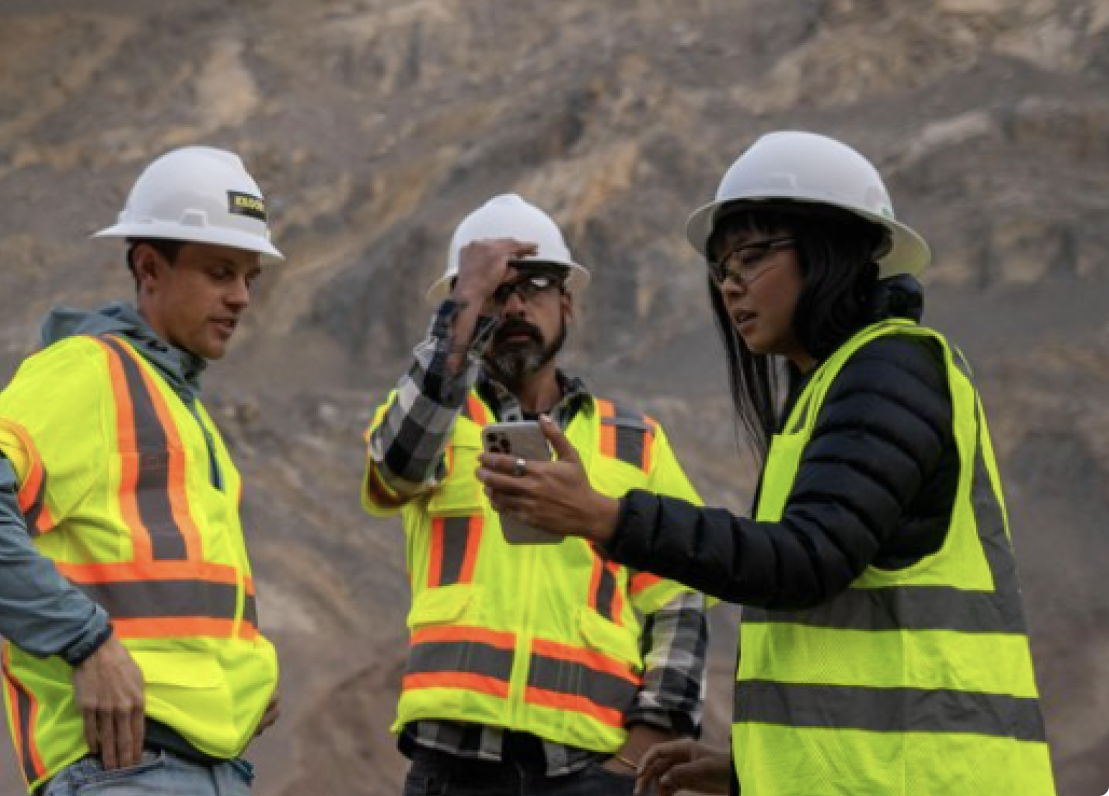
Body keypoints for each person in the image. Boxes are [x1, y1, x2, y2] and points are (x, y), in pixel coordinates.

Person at [477, 132, 1056, 796]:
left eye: (752, 256)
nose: (730, 285)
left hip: (932, 778)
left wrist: (607, 517)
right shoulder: (830, 392)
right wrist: (755, 762)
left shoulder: (890, 372)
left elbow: (805, 561)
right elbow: (836, 629)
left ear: (830, 250)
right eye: (722, 267)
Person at [0, 146, 282, 796]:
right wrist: (87, 644)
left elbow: (176, 597)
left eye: (249, 276)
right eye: (221, 272)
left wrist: (245, 679)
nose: (241, 297)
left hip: (209, 771)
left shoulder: (180, 408)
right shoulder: (90, 371)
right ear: (148, 268)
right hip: (129, 771)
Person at [362, 193, 710, 796]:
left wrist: (646, 744)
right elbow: (396, 466)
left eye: (537, 286)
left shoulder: (637, 443)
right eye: (497, 291)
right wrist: (460, 312)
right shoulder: (435, 422)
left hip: (590, 766)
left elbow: (679, 597)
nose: (516, 305)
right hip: (453, 762)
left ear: (568, 302)